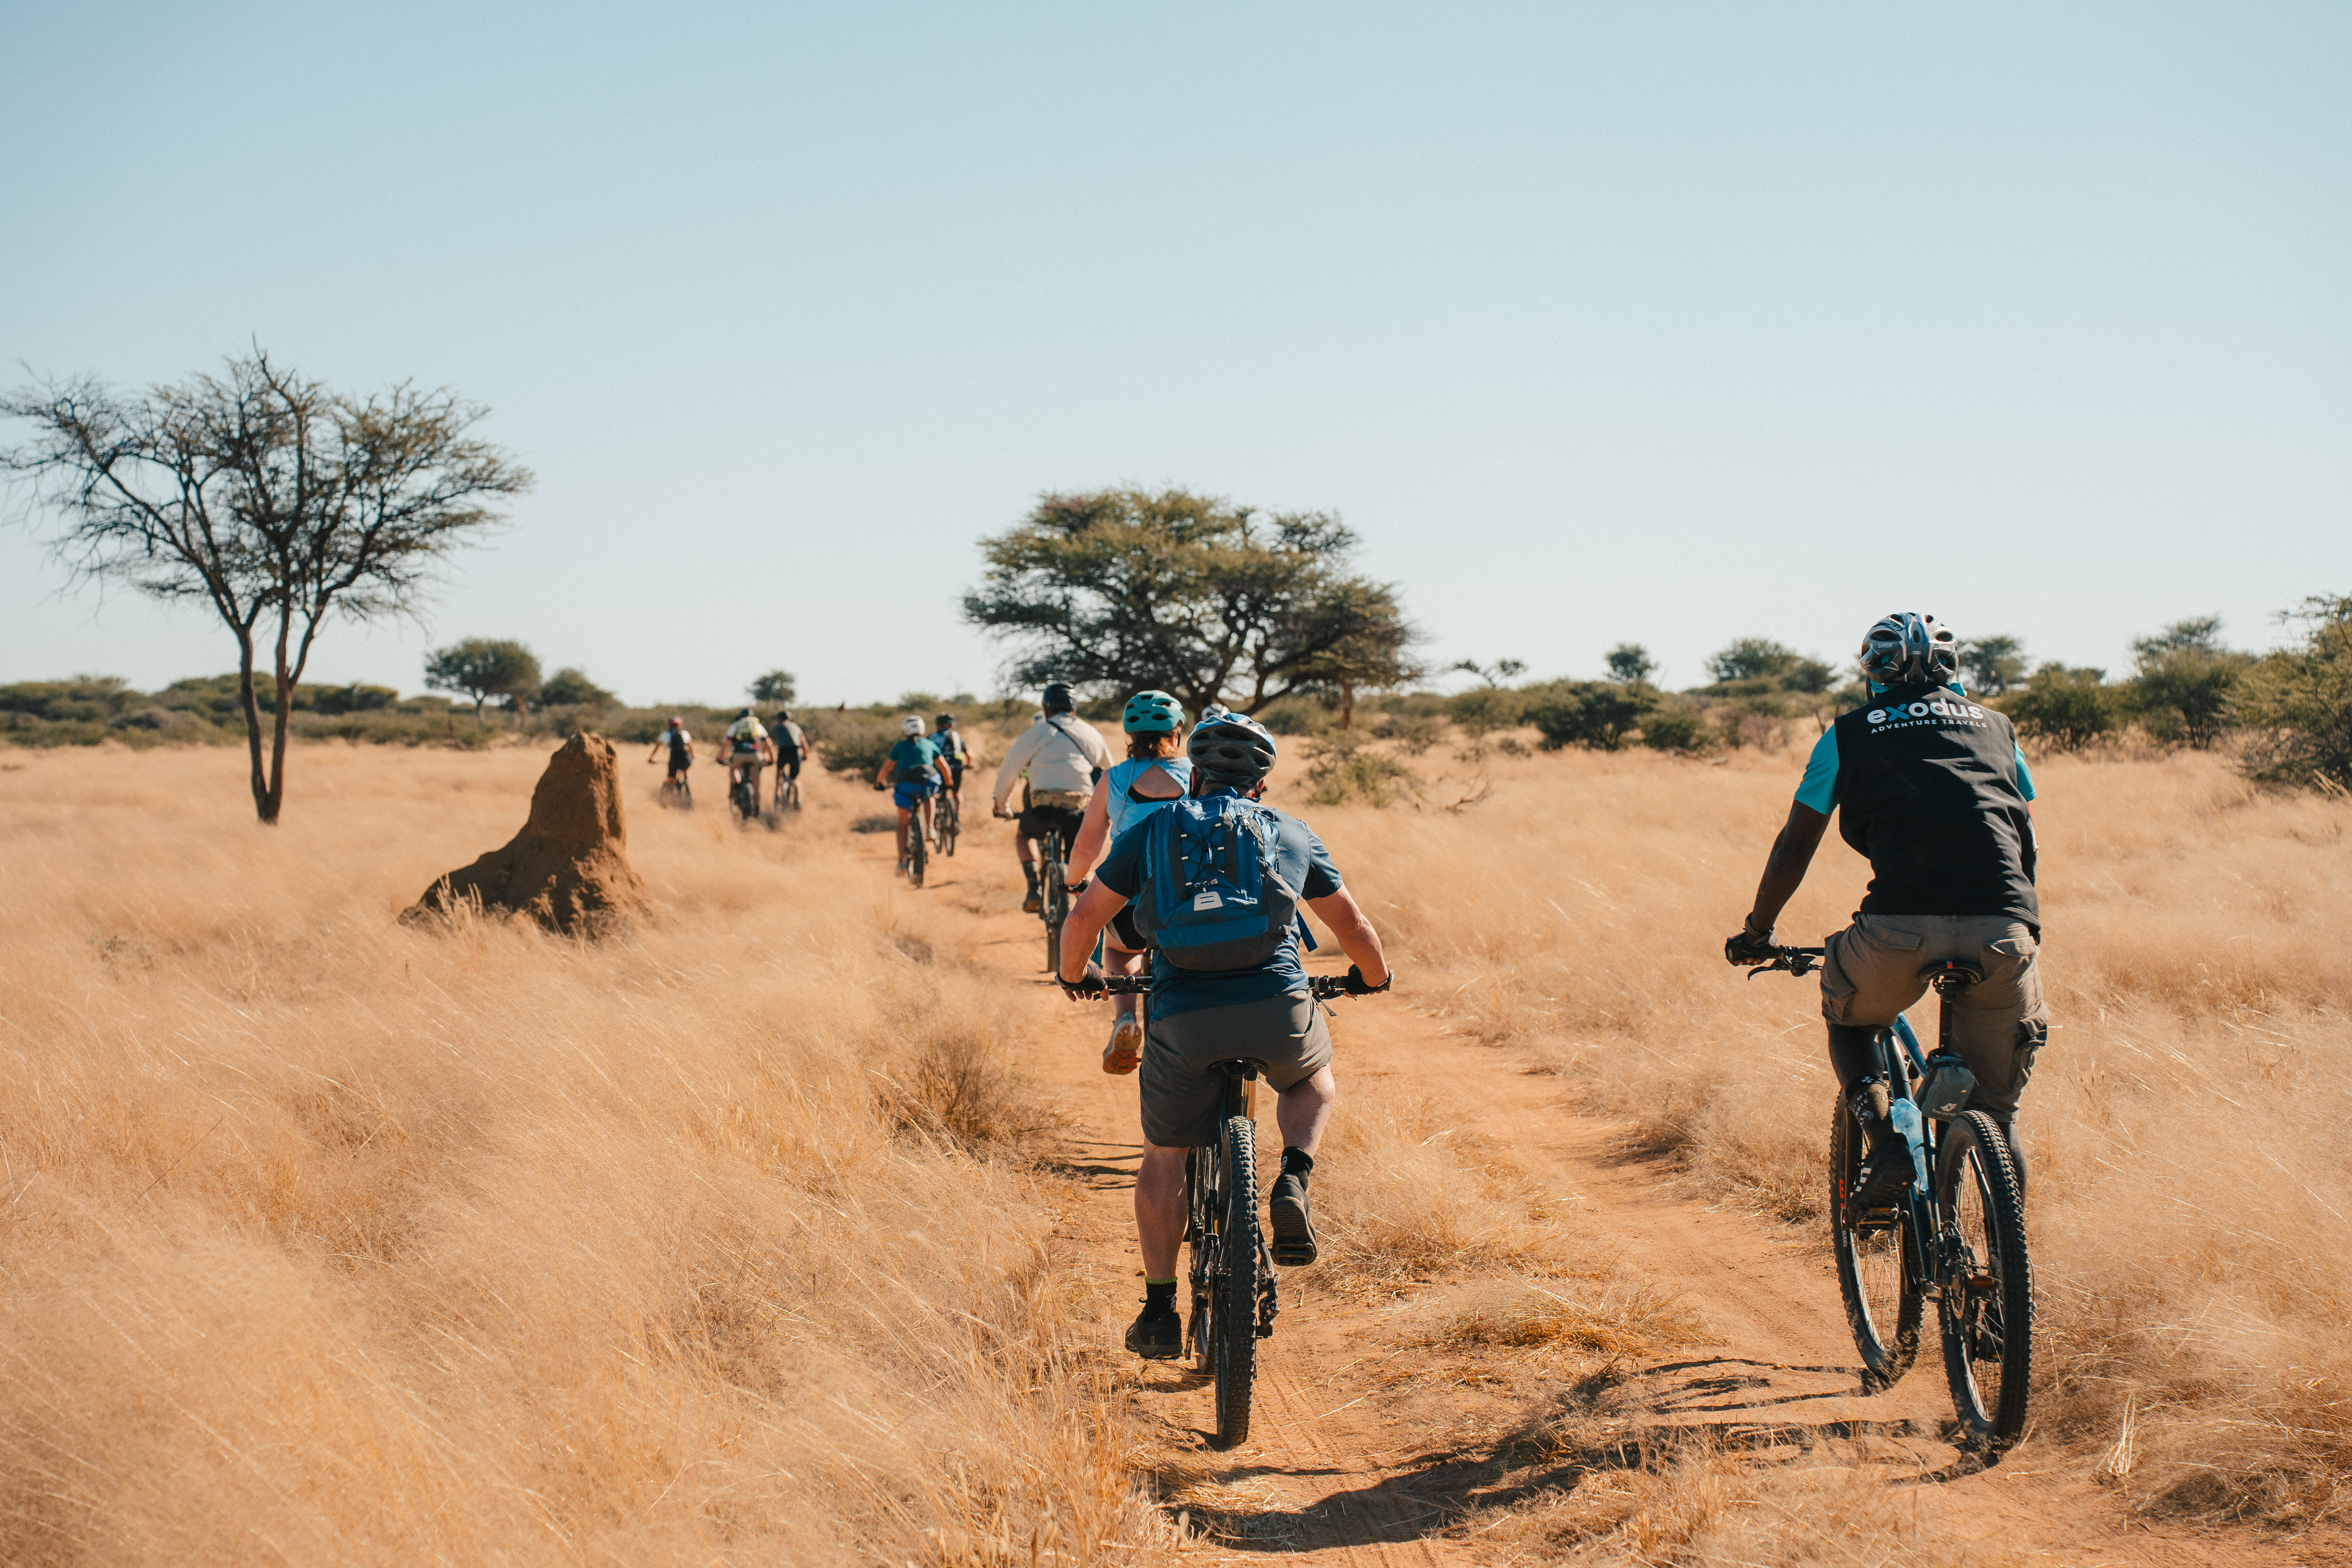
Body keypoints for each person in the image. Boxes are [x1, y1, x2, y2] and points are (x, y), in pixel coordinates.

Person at [1055, 711, 1394, 1358]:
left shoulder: (1152, 828)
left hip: (1182, 1015)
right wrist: (1371, 978)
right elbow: (1352, 925)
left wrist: (1077, 975)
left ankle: (1159, 1310)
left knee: (1163, 1155)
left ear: (1195, 777)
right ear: (1260, 786)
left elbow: (1085, 919)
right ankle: (1292, 1177)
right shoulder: (1289, 831)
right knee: (1312, 1080)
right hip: (1276, 1004)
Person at [1725, 612, 2046, 1209]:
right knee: (1998, 1119)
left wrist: (1757, 931)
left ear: (1872, 674)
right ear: (1953, 672)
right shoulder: (1999, 729)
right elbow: (2023, 836)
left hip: (1898, 928)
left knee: (1850, 1020)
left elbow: (1796, 844)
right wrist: (2022, 925)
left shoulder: (1847, 733)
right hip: (2004, 928)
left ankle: (1885, 1143)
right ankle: (2004, 1262)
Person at [1063, 690, 1191, 1074]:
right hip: (1187, 900)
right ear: (1176, 735)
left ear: (1130, 737)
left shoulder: (1114, 778)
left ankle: (1125, 1017)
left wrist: (1073, 881)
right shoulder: (1196, 774)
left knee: (1119, 950)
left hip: (1130, 901)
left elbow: (1086, 846)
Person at [990, 681, 1114, 913]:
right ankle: (1087, 904)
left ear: (1045, 709)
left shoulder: (1035, 733)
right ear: (1074, 708)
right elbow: (1110, 771)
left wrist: (1002, 806)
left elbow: (1009, 772)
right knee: (1081, 857)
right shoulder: (1091, 733)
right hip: (1079, 809)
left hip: (1043, 809)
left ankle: (1033, 888)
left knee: (1023, 837)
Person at [874, 715, 952, 870]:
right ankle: (930, 828)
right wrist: (949, 783)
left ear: (905, 731)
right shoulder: (930, 744)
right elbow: (944, 767)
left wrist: (878, 783)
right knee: (929, 797)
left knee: (903, 824)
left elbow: (886, 768)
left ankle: (901, 862)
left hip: (905, 787)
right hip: (927, 784)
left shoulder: (900, 746)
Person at [722, 708, 772, 809]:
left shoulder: (736, 725)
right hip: (755, 757)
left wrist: (720, 758)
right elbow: (769, 745)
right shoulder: (757, 725)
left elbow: (726, 744)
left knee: (732, 769)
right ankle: (757, 809)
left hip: (738, 756)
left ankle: (737, 787)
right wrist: (772, 760)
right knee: (757, 786)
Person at [931, 711, 973, 812]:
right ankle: (957, 816)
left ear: (938, 725)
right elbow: (969, 755)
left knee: (936, 793)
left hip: (939, 770)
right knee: (957, 793)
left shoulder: (933, 737)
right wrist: (968, 765)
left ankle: (935, 813)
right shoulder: (956, 736)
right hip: (957, 770)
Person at [770, 708, 812, 802]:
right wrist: (805, 756)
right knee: (795, 779)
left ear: (779, 719)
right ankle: (799, 802)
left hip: (783, 752)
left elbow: (769, 742)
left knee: (779, 774)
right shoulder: (795, 726)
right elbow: (804, 744)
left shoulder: (777, 727)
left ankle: (777, 795)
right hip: (795, 752)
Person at [646, 717, 695, 789]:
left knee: (671, 780)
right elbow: (691, 747)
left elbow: (657, 748)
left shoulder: (665, 734)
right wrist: (693, 756)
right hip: (686, 759)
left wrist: (651, 758)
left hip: (674, 760)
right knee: (685, 771)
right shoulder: (685, 733)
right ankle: (687, 785)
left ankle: (671, 792)